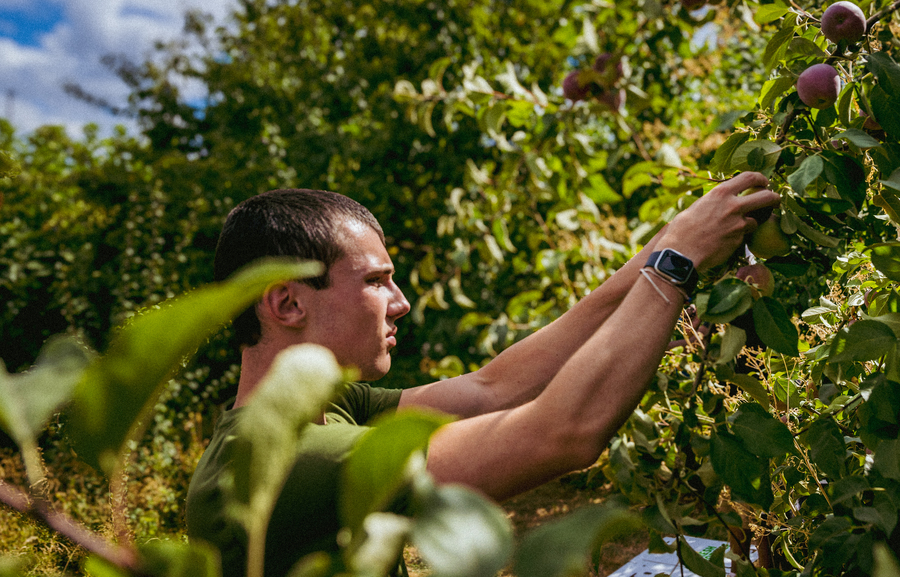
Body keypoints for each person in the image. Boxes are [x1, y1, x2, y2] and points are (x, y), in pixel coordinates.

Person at [185, 172, 780, 577]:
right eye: (374, 281)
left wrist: (665, 247)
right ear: (286, 304)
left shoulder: (329, 407)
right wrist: (675, 266)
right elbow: (560, 434)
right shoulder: (280, 463)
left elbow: (493, 388)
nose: (401, 303)